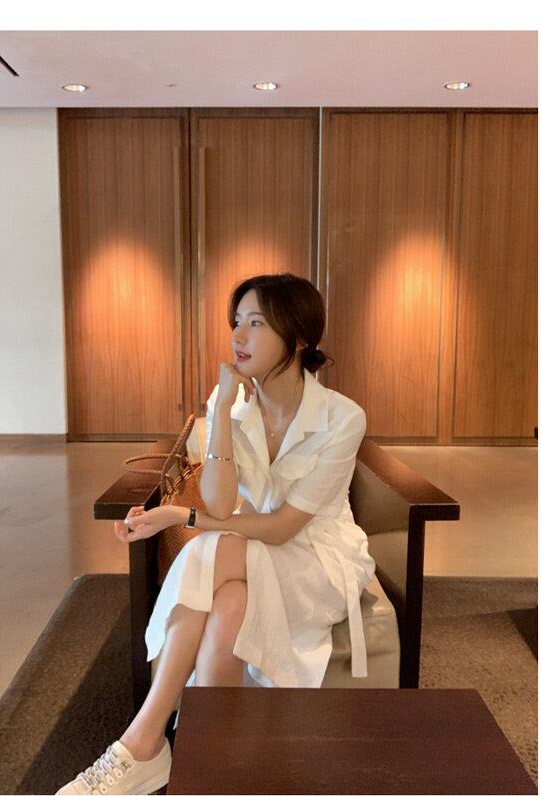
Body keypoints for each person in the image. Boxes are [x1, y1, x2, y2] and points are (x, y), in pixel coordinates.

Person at [56, 273, 376, 795]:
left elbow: (283, 527)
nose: (238, 337)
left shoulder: (343, 417)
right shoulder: (231, 402)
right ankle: (208, 773)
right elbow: (224, 503)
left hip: (316, 560)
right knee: (228, 607)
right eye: (236, 322)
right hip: (246, 549)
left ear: (298, 338)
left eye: (257, 323)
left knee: (209, 549)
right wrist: (223, 412)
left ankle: (143, 742)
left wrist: (179, 517)